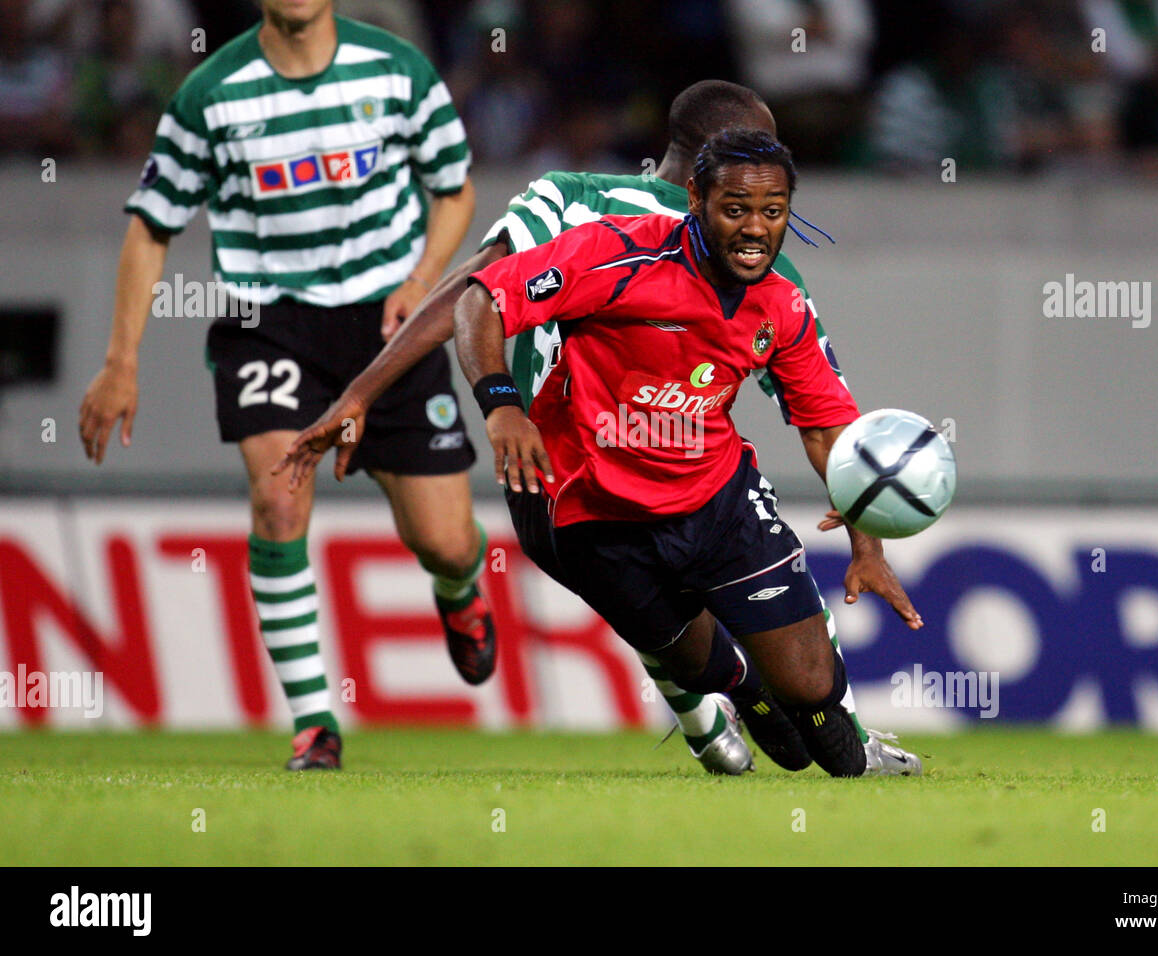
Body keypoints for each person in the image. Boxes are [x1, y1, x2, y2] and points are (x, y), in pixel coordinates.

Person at [275, 81, 923, 776]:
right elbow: (479, 299)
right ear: (705, 180)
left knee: (788, 675)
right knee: (686, 640)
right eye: (740, 194)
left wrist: (362, 391)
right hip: (566, 471)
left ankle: (793, 728)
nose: (758, 221)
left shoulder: (611, 213)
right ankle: (717, 705)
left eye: (773, 203)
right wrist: (492, 403)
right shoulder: (601, 231)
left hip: (651, 486)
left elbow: (825, 421)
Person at [78, 0, 495, 771]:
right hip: (268, 322)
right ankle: (314, 723)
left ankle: (461, 586)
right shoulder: (211, 93)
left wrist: (424, 277)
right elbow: (150, 222)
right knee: (276, 501)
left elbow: (455, 186)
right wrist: (121, 359)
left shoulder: (397, 69)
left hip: (389, 324)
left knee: (441, 540)